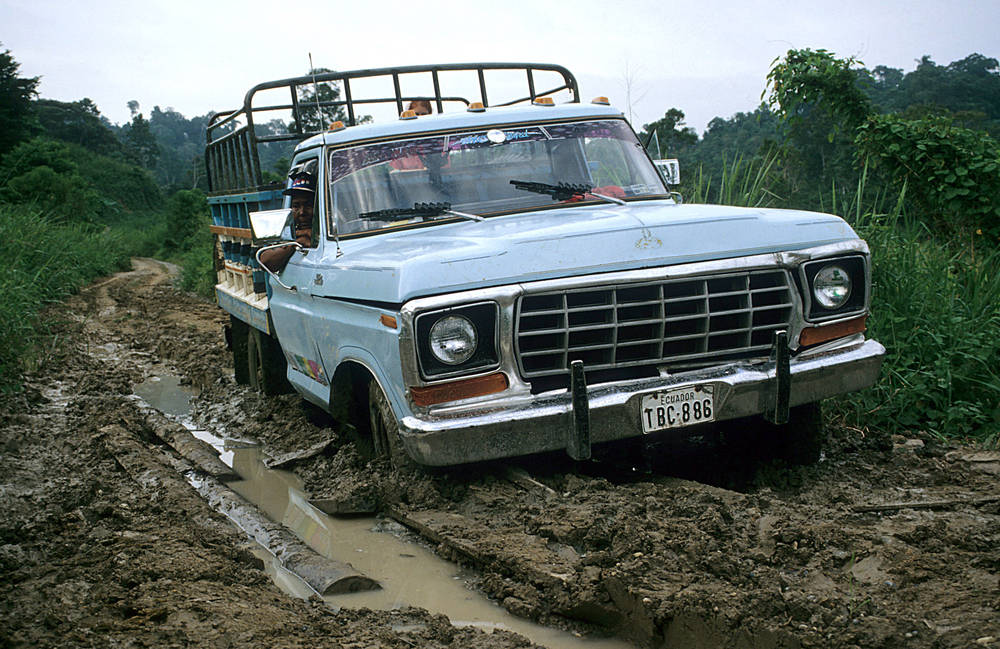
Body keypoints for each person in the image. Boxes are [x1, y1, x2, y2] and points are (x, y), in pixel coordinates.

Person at [258, 172, 315, 272]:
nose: (302, 212)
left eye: (308, 205)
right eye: (296, 206)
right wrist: (295, 243)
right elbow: (265, 262)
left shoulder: (333, 230)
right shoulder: (287, 232)